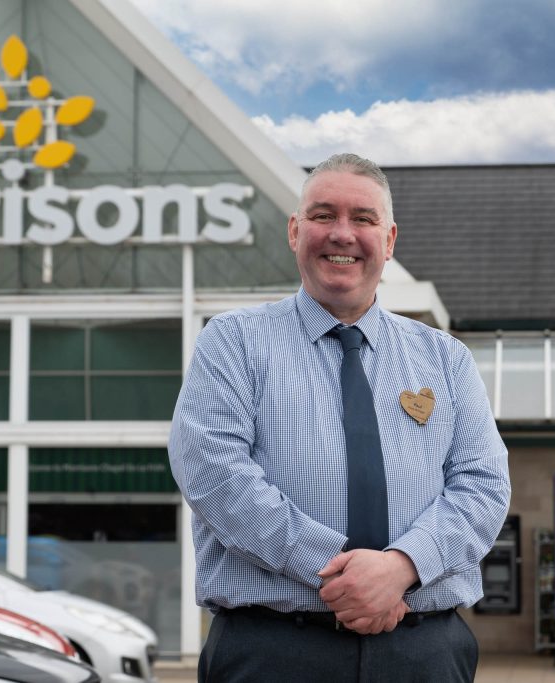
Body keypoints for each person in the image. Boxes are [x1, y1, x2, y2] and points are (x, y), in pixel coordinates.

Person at [168, 153, 510, 682]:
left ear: (389, 240)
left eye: (363, 219)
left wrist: (401, 568)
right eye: (323, 215)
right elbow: (215, 475)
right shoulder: (233, 342)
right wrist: (343, 574)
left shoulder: (445, 359)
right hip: (273, 654)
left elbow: (483, 486)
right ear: (294, 231)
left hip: (423, 654)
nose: (342, 234)